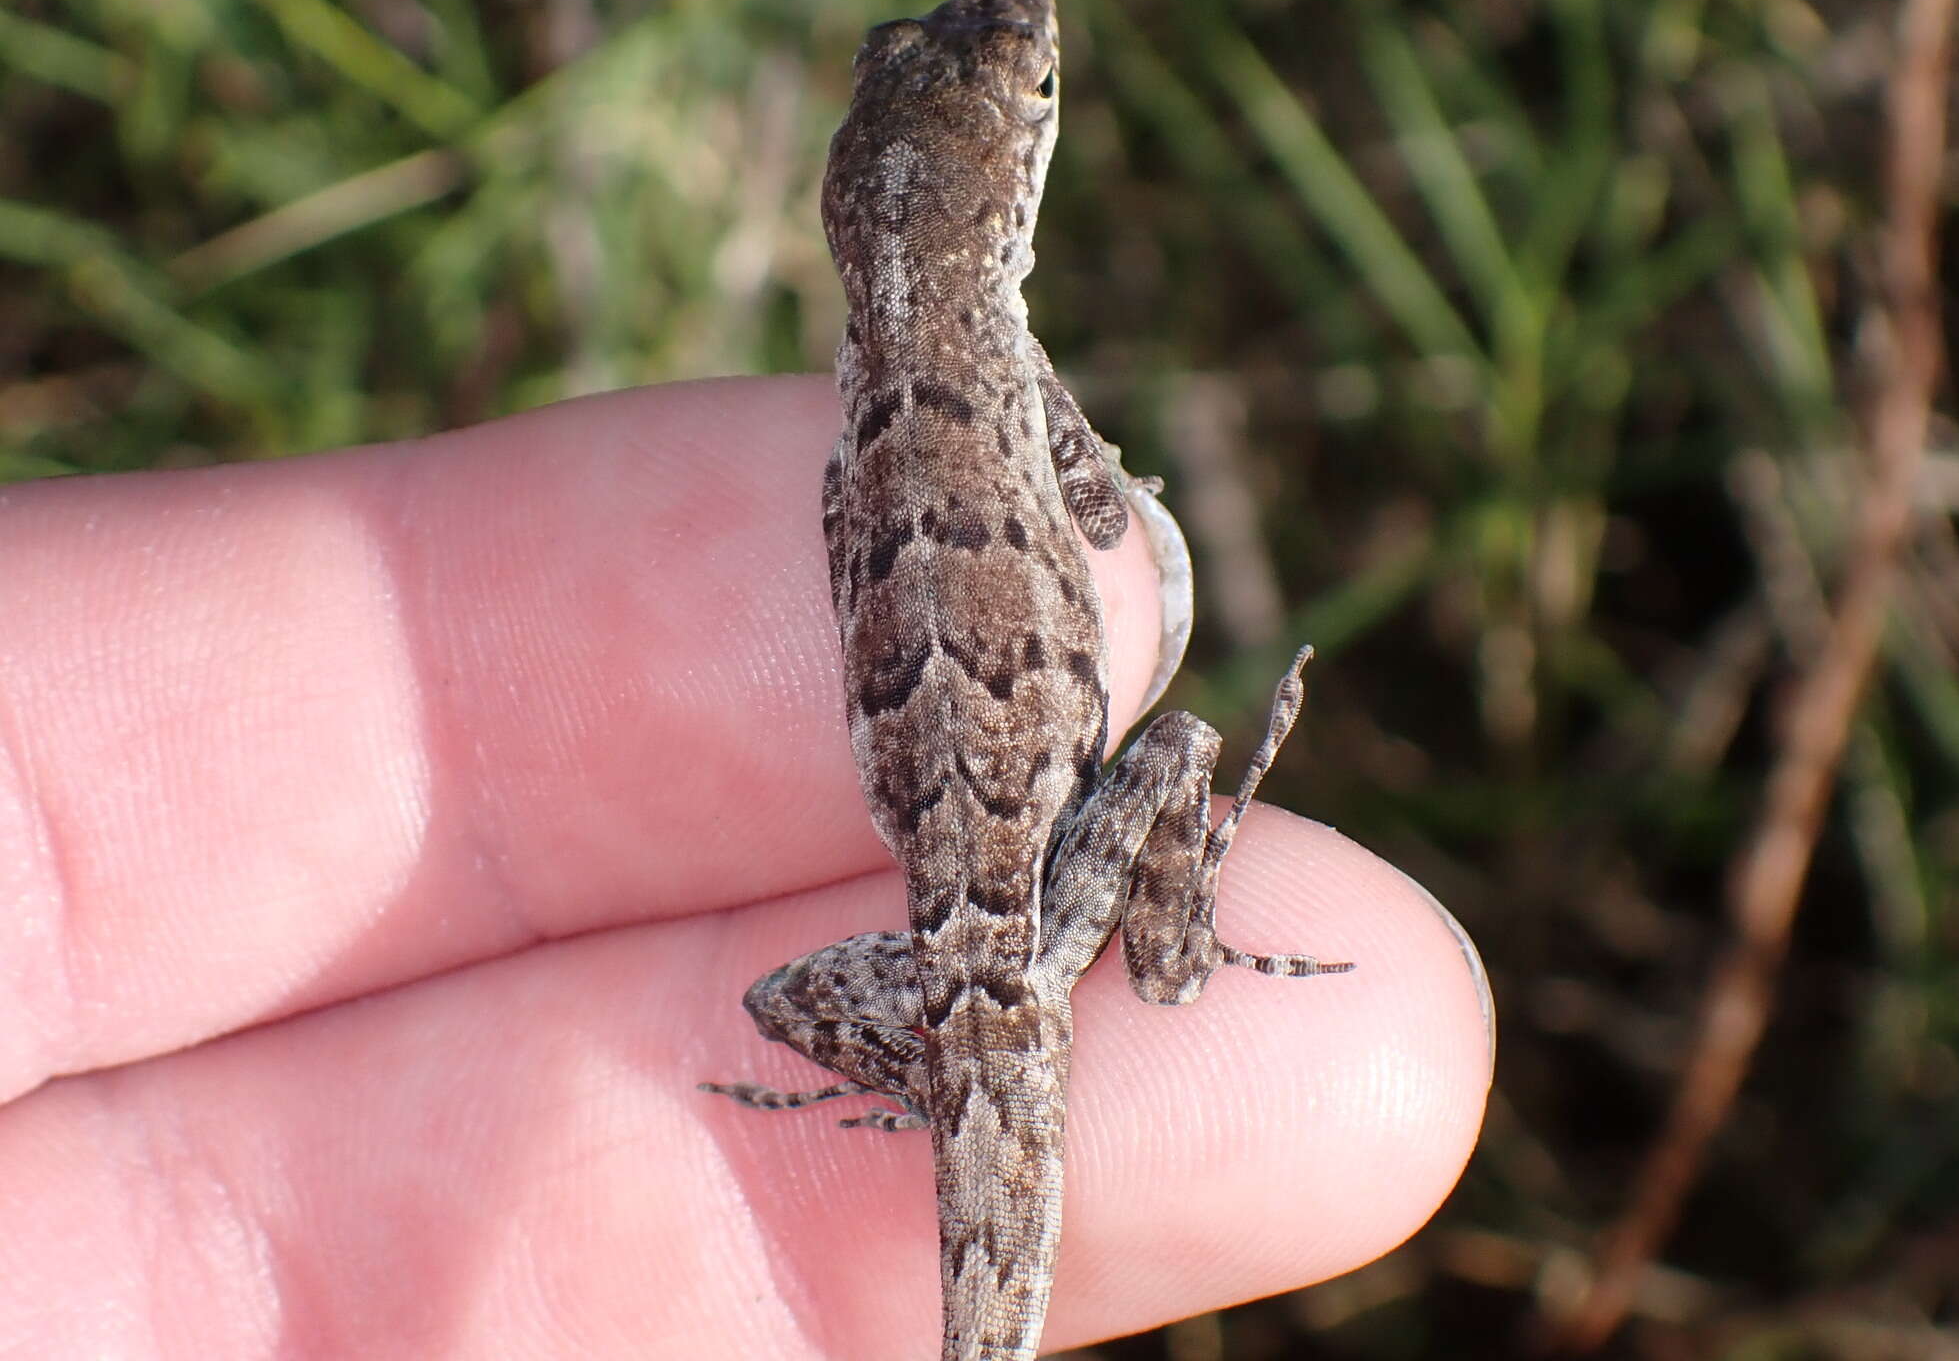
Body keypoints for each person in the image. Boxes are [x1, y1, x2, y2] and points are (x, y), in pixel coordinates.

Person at [0, 377, 1491, 1355]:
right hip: (1031, 930)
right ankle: (1174, 955)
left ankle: (993, 1043)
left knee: (804, 1004)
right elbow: (1106, 521)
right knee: (1174, 756)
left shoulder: (874, 418)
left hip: (976, 958)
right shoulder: (997, 380)